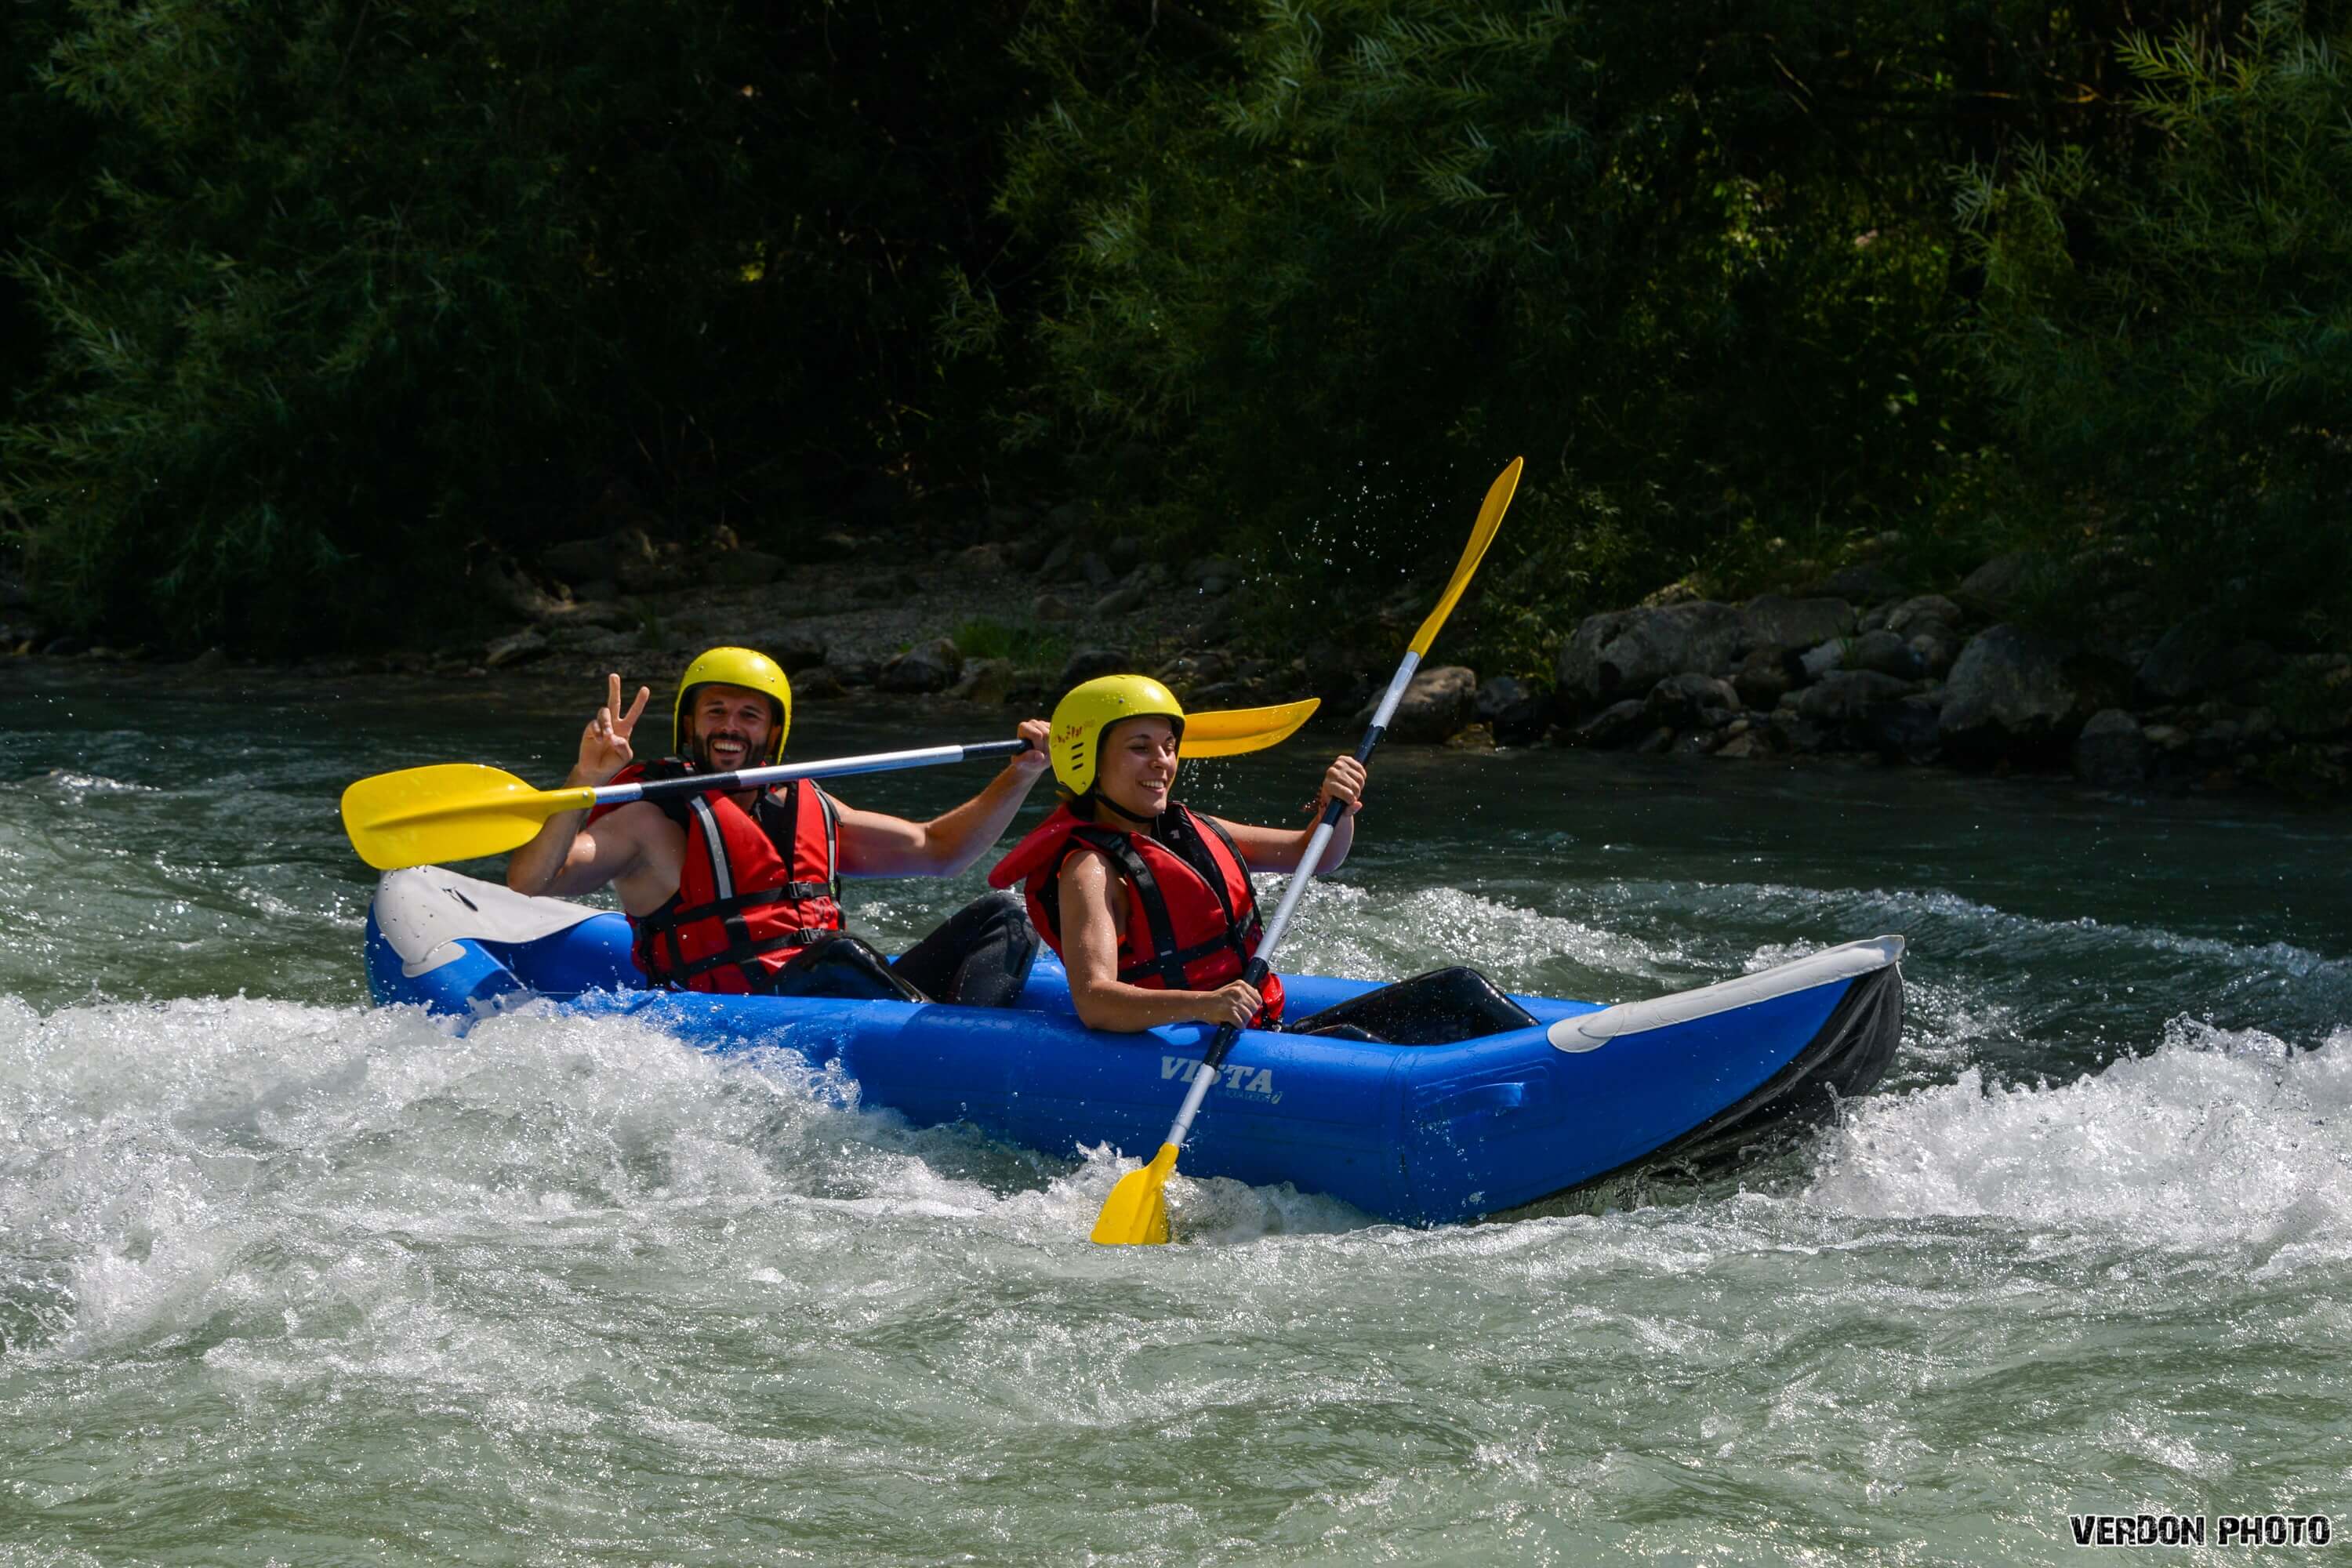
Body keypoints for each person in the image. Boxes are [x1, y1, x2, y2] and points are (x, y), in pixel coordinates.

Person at [988, 674, 1538, 1044]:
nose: (1163, 762)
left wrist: (1336, 808)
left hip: (1251, 1029)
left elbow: (1313, 856)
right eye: (1140, 747)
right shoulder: (1089, 869)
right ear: (1086, 759)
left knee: (1458, 991)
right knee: (1373, 1037)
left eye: (1169, 746)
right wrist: (1205, 1004)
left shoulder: (1196, 828)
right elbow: (1096, 1002)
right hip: (1189, 1042)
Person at [507, 646, 1047, 1005]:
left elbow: (940, 850)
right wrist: (586, 779)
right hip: (739, 1016)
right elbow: (533, 880)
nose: (730, 727)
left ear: (771, 732)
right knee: (840, 958)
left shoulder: (809, 804)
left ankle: (969, 1041)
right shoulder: (648, 819)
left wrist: (1022, 773)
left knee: (1007, 913)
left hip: (838, 994)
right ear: (690, 725)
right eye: (716, 711)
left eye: (749, 715)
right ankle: (941, 1047)